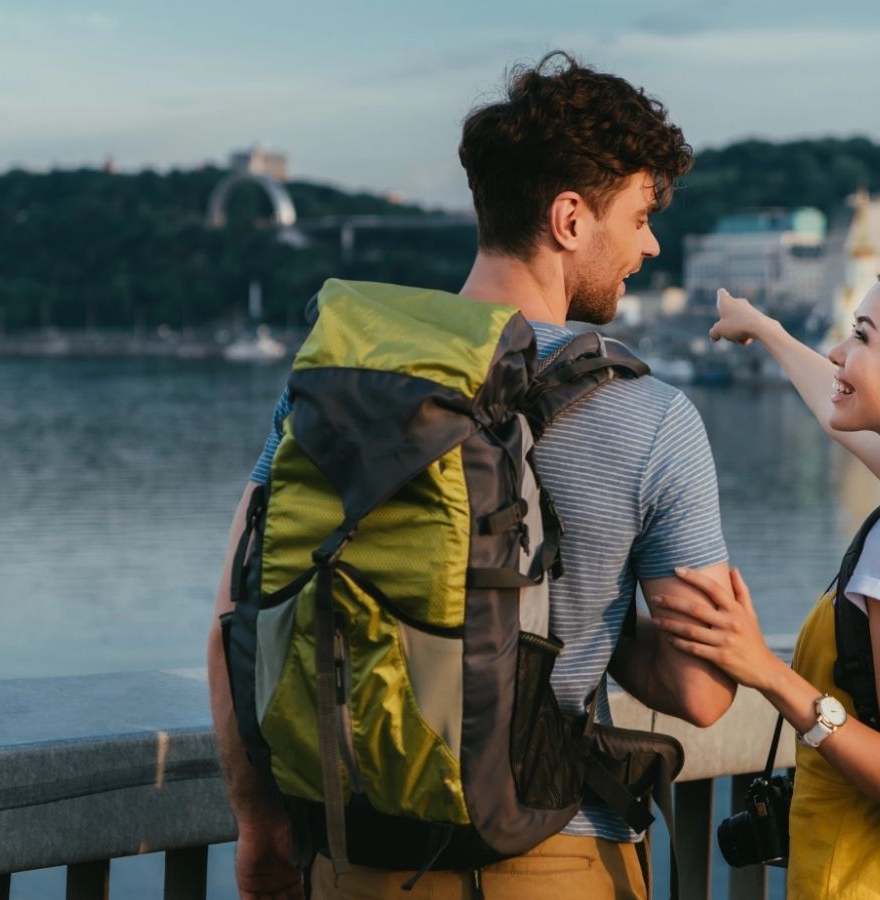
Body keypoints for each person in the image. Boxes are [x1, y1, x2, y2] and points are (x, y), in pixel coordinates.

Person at [206, 52, 738, 900]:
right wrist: (596, 618)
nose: (651, 243)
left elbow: (239, 613)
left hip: (355, 856)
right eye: (640, 215)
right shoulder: (653, 417)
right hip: (553, 856)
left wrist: (261, 824)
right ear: (570, 218)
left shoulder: (348, 378)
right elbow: (702, 694)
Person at [652, 264, 880, 899]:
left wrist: (766, 672)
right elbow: (834, 406)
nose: (838, 353)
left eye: (860, 336)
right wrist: (765, 330)